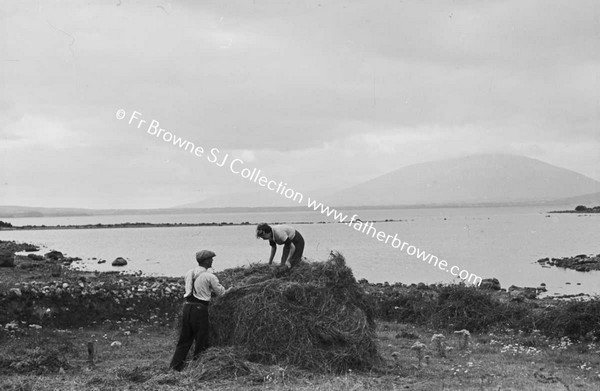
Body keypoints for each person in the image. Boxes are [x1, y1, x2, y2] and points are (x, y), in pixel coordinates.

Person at [169, 250, 228, 371]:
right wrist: (232, 290)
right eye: (211, 259)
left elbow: (195, 289)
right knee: (201, 339)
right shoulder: (209, 276)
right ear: (206, 261)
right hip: (200, 310)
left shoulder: (189, 273)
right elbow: (222, 292)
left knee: (184, 340)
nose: (212, 260)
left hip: (187, 308)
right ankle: (197, 367)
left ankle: (174, 367)